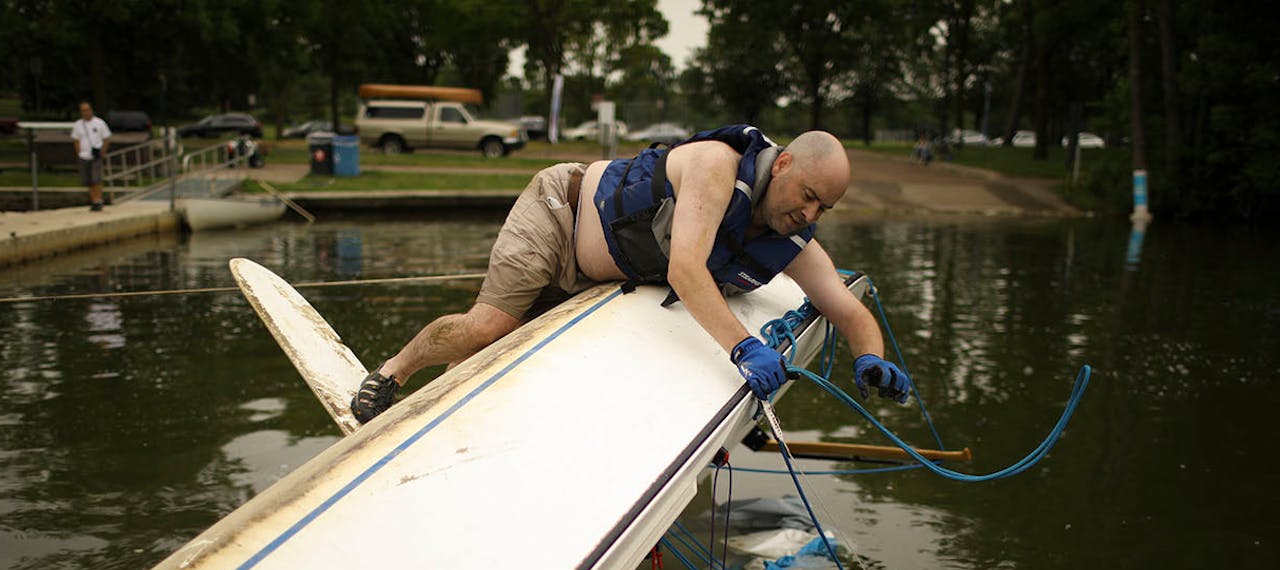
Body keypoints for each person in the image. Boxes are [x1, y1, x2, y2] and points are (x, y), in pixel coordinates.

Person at [350, 124, 911, 423]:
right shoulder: (718, 166)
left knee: (528, 361)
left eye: (824, 210)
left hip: (597, 272)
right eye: (809, 197)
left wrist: (871, 357)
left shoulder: (789, 236)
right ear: (783, 163)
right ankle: (393, 371)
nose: (810, 216)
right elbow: (687, 269)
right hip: (558, 214)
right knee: (487, 331)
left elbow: (845, 305)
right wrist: (744, 349)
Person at [71, 101, 111, 211]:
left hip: (96, 155)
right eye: (83, 110)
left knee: (96, 178)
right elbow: (75, 139)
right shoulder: (78, 125)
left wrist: (103, 150)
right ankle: (94, 200)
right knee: (88, 180)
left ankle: (98, 200)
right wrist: (79, 152)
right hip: (84, 155)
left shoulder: (99, 123)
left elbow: (106, 138)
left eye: (87, 110)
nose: (85, 112)